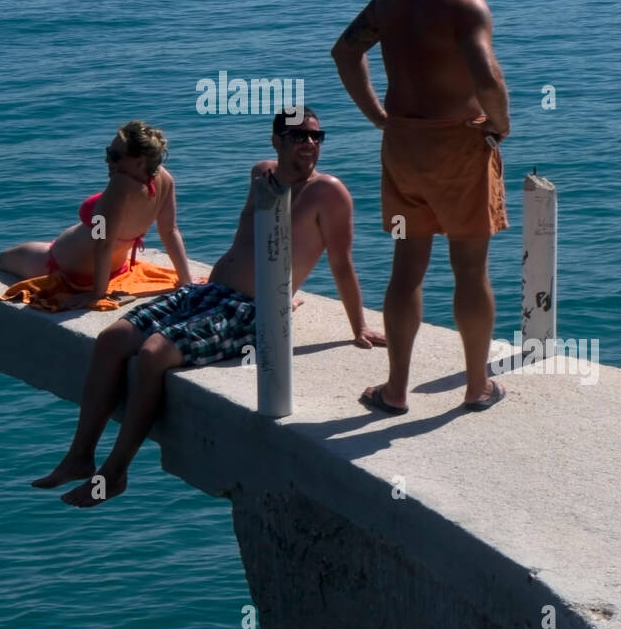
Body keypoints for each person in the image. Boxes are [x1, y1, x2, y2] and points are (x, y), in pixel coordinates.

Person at [33, 107, 385, 506]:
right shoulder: (261, 174)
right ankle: (80, 456)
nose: (308, 144)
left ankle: (114, 473)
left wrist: (358, 326)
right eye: (298, 136)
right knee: (113, 337)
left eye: (315, 137)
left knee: (152, 355)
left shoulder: (330, 193)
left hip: (250, 309)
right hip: (208, 292)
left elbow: (341, 262)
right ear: (277, 141)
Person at [331, 0, 510, 414]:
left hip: (404, 147)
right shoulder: (465, 6)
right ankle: (476, 387)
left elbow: (345, 52)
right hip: (457, 146)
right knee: (470, 269)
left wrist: (377, 115)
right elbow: (487, 78)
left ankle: (395, 391)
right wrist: (500, 125)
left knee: (407, 268)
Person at [0, 121, 191, 307]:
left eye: (115, 156)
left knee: (5, 259)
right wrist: (185, 281)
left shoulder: (120, 186)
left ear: (140, 162)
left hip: (65, 267)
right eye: (108, 152)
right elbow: (169, 231)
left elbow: (103, 242)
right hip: (115, 269)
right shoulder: (165, 180)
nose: (107, 159)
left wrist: (97, 295)